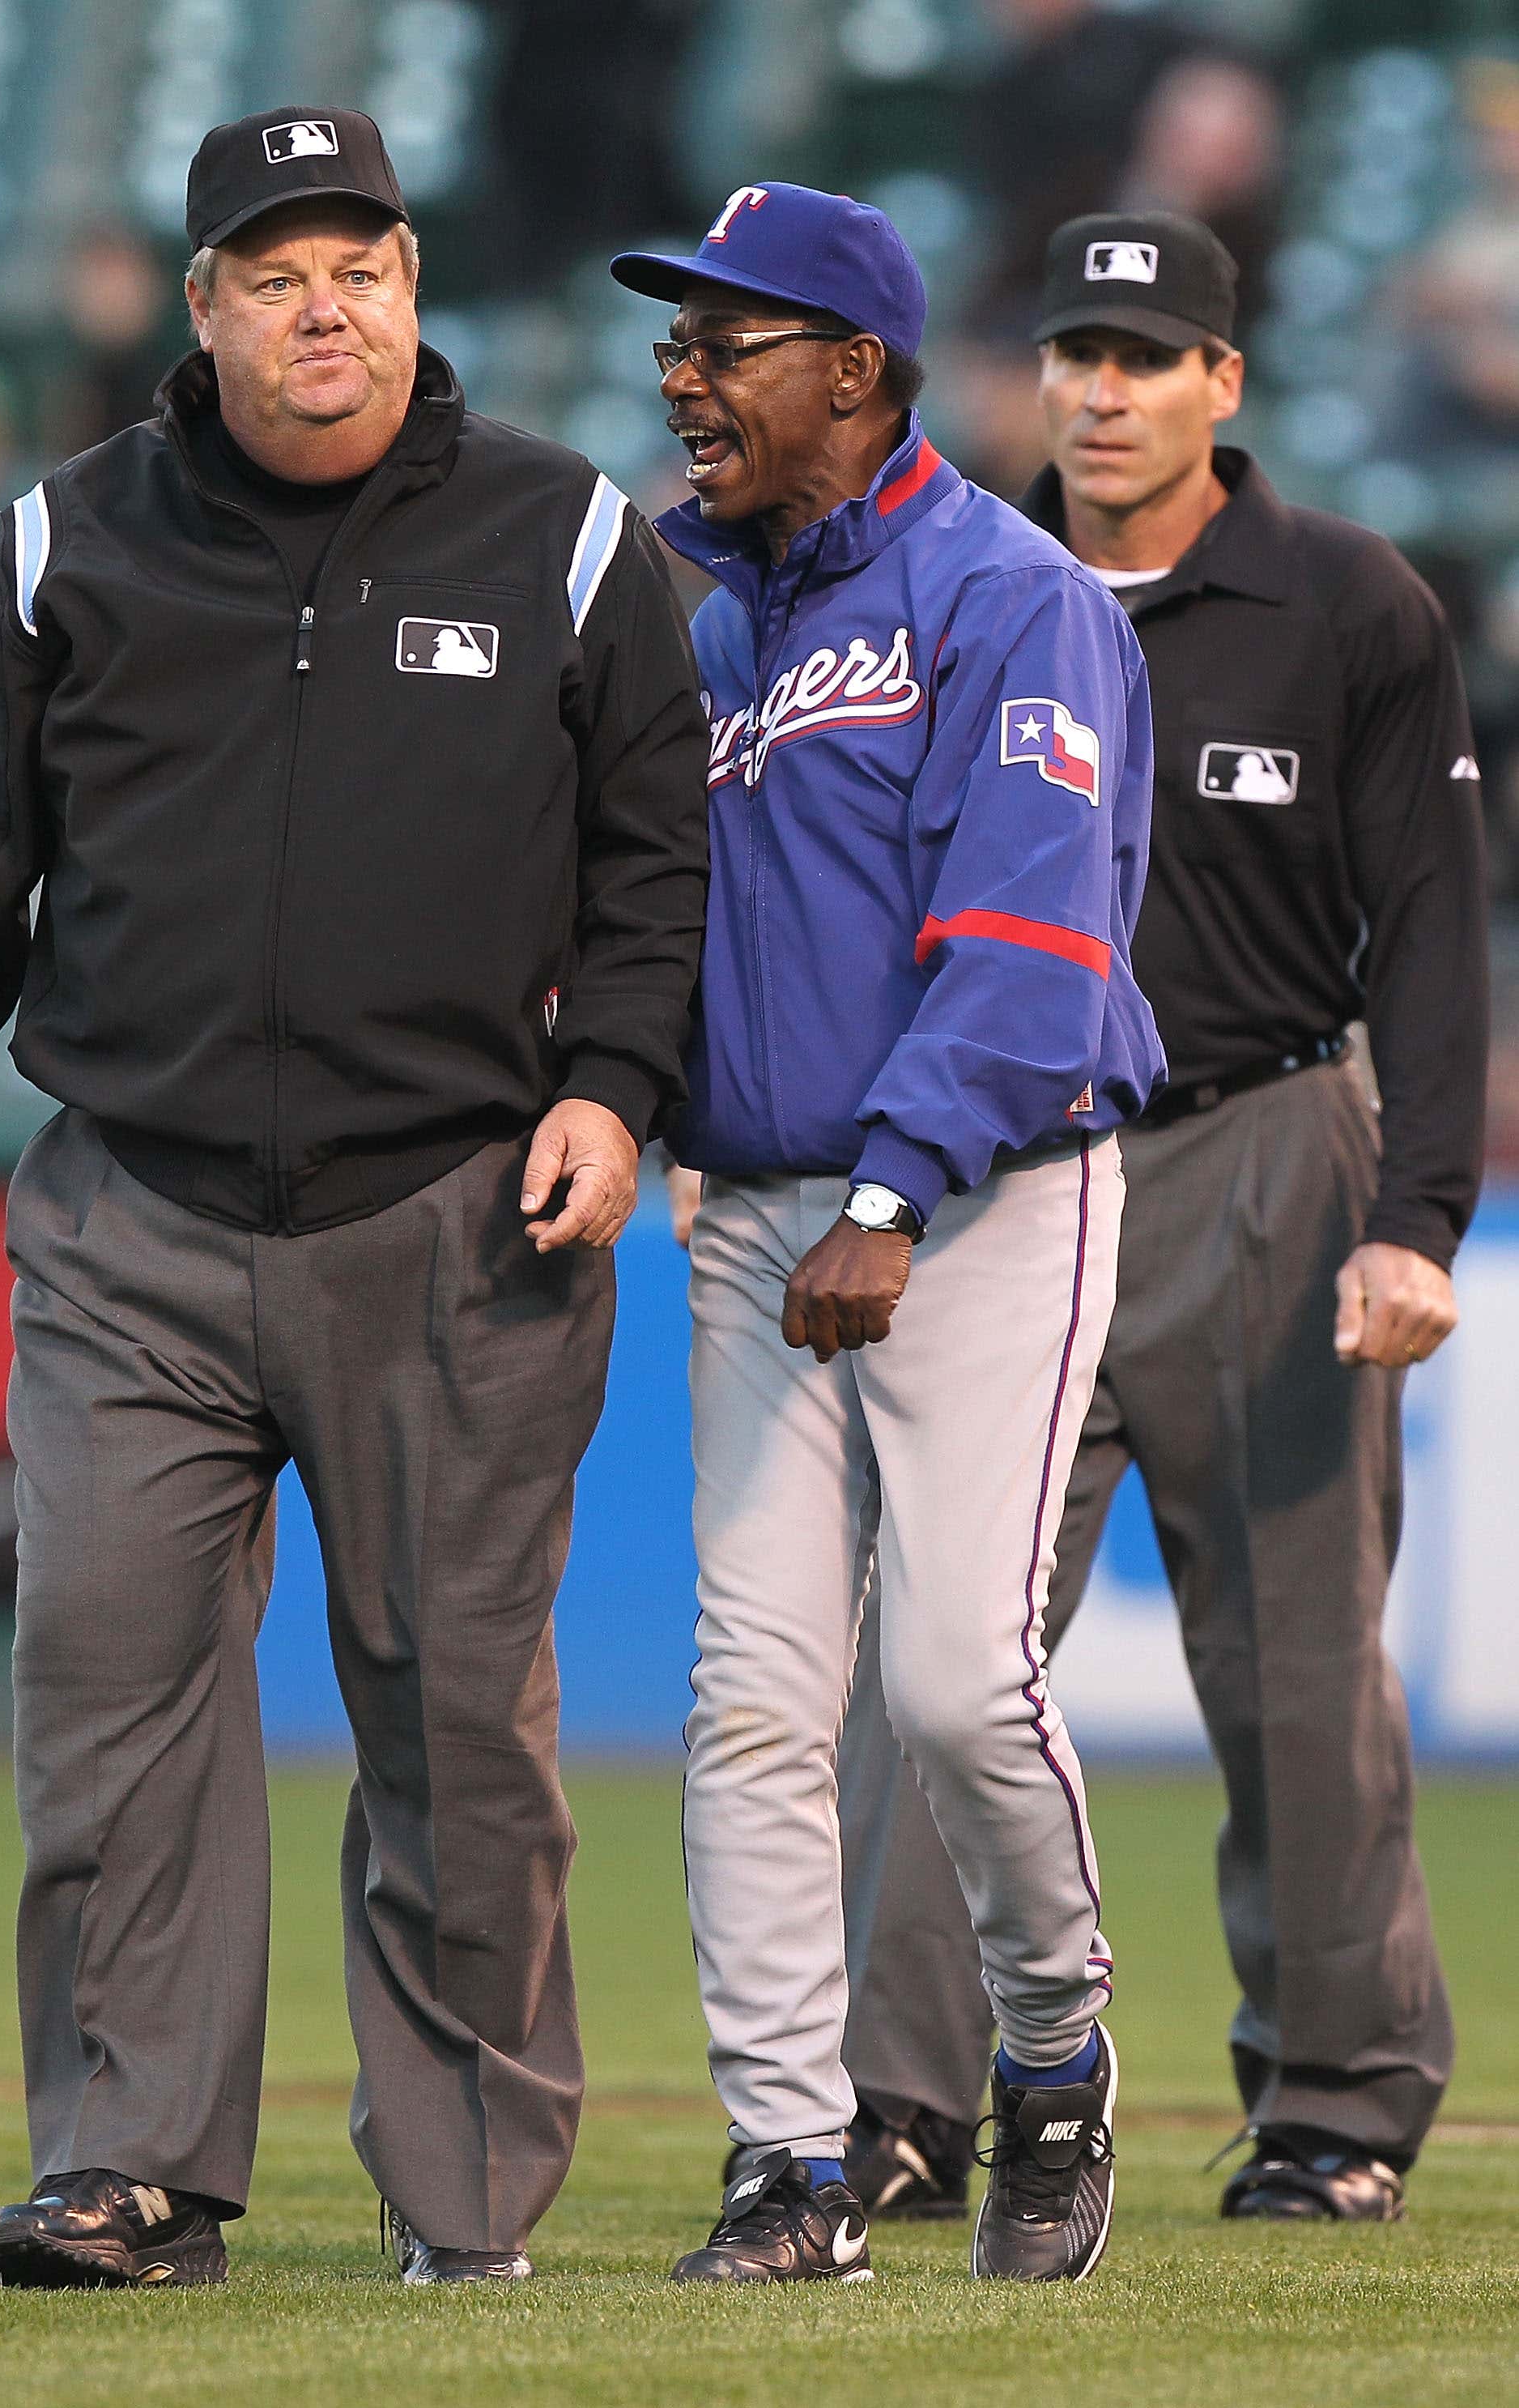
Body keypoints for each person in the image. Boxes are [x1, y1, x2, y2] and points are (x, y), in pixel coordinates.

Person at [0, 106, 708, 2291]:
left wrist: (616, 1089)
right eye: (275, 269)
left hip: (462, 1219)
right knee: (106, 1702)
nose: (327, 303)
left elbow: (659, 868)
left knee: (453, 1732)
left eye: (363, 263)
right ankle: (128, 2169)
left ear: (412, 287)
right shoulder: (61, 550)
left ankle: (466, 2202)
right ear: (200, 309)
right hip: (129, 1216)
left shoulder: (573, 541)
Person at [837, 212, 1488, 2228]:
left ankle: (1332, 2102)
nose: (1102, 393)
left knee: (1294, 1662)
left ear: (1224, 380)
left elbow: (1435, 941)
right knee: (940, 1660)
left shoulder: (1346, 605)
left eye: (1146, 357)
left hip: (1266, 1152)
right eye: (1072, 356)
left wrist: (1415, 1218)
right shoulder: (936, 578)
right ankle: (901, 2098)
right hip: (1003, 1168)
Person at [611, 182, 1164, 2286]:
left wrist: (884, 1185)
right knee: (752, 1697)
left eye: (721, 340)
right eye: (674, 344)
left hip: (979, 1201)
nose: (683, 378)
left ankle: (1047, 2047)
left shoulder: (1011, 599)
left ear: (850, 367)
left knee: (947, 1684)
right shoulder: (709, 619)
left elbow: (1023, 952)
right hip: (761, 1215)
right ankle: (789, 2164)